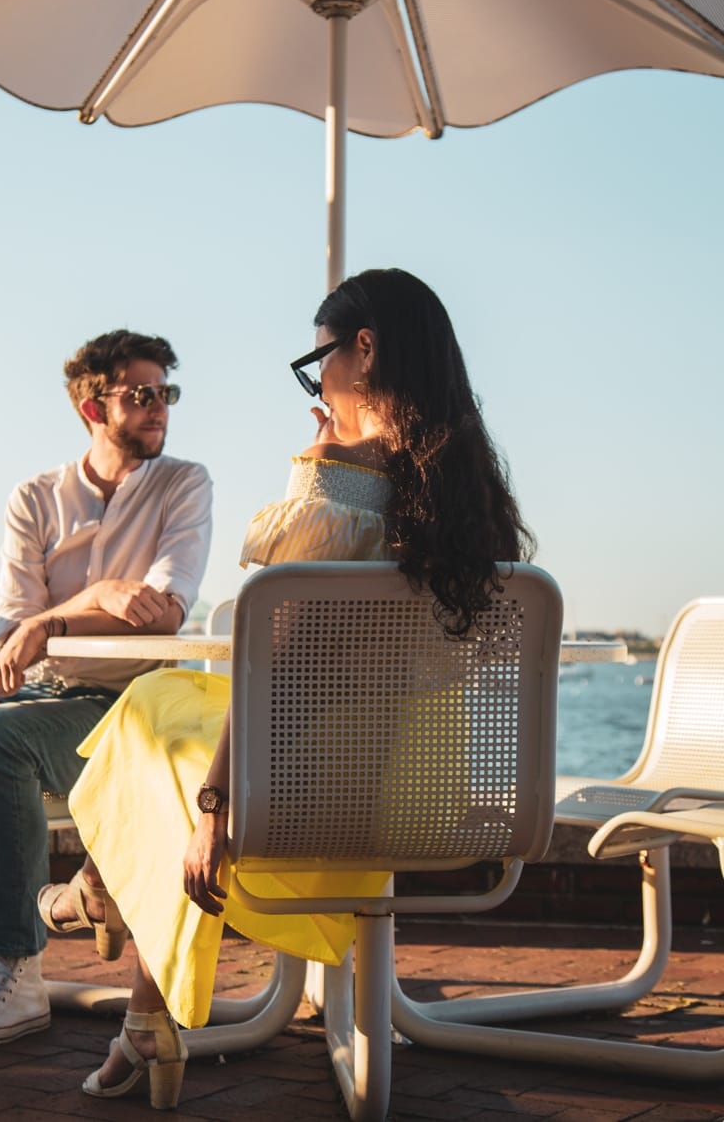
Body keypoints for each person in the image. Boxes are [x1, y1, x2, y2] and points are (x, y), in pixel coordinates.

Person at [43, 269, 536, 1110]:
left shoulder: (330, 482)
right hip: (430, 789)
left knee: (155, 728)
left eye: (319, 366)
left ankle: (101, 900)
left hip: (315, 795)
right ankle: (138, 996)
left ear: (364, 351)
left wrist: (213, 807)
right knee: (160, 704)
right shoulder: (473, 496)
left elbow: (278, 678)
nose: (320, 387)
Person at [0, 329, 212, 1047]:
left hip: (130, 706)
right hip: (40, 695)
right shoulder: (35, 497)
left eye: (167, 393)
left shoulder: (185, 484)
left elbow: (162, 611)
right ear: (93, 409)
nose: (161, 408)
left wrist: (58, 614)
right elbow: (13, 631)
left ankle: (18, 967)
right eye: (142, 394)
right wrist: (98, 599)